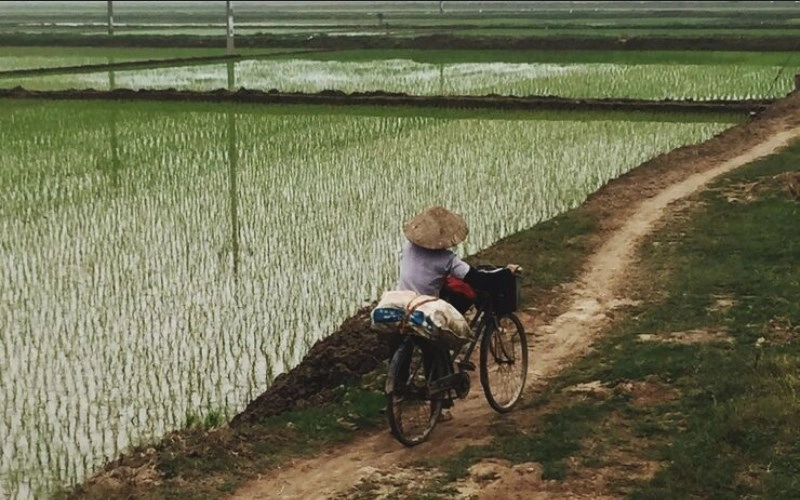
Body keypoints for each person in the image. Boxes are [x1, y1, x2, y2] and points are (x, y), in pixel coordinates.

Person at [394, 205, 521, 421]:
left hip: (400, 304)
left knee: (407, 345)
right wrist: (506, 272)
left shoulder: (408, 248)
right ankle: (441, 405)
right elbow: (478, 279)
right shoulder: (446, 260)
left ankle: (396, 397)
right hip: (424, 307)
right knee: (439, 345)